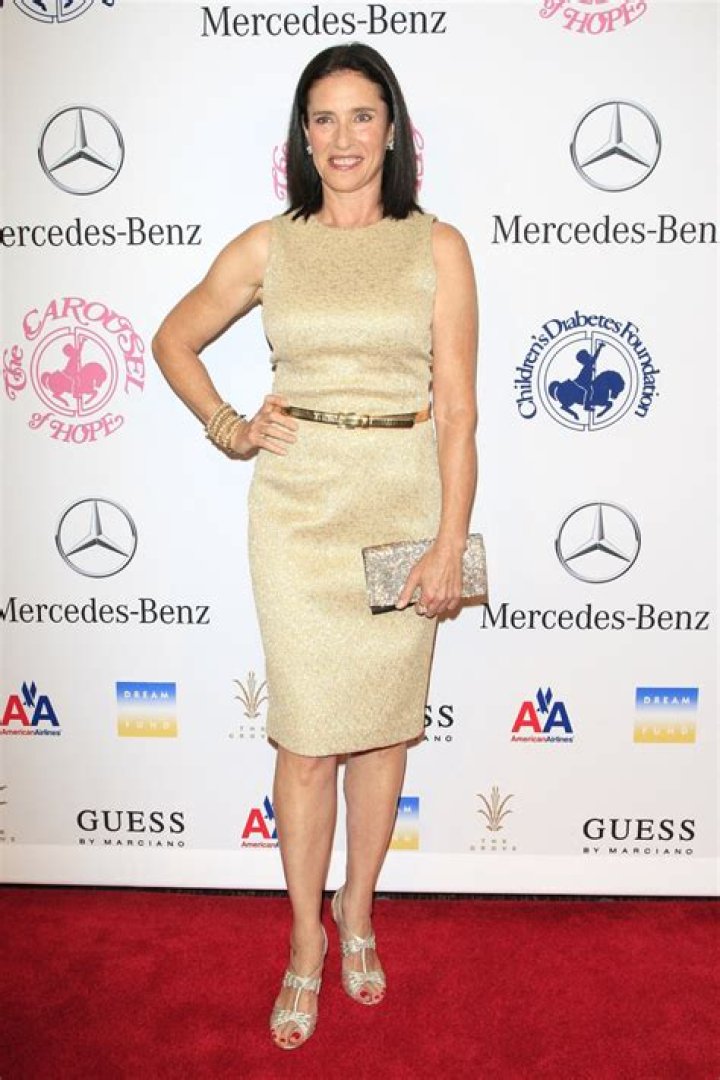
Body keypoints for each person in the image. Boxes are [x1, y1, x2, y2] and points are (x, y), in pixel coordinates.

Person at [152, 42, 478, 1050]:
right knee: (305, 744)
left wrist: (448, 543)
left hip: (400, 504)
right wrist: (230, 427)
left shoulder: (437, 247)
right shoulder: (270, 245)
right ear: (303, 134)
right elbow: (173, 338)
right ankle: (304, 940)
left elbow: (460, 413)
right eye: (324, 118)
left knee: (381, 734)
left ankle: (358, 912)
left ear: (394, 129)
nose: (343, 137)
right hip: (297, 515)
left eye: (362, 115)